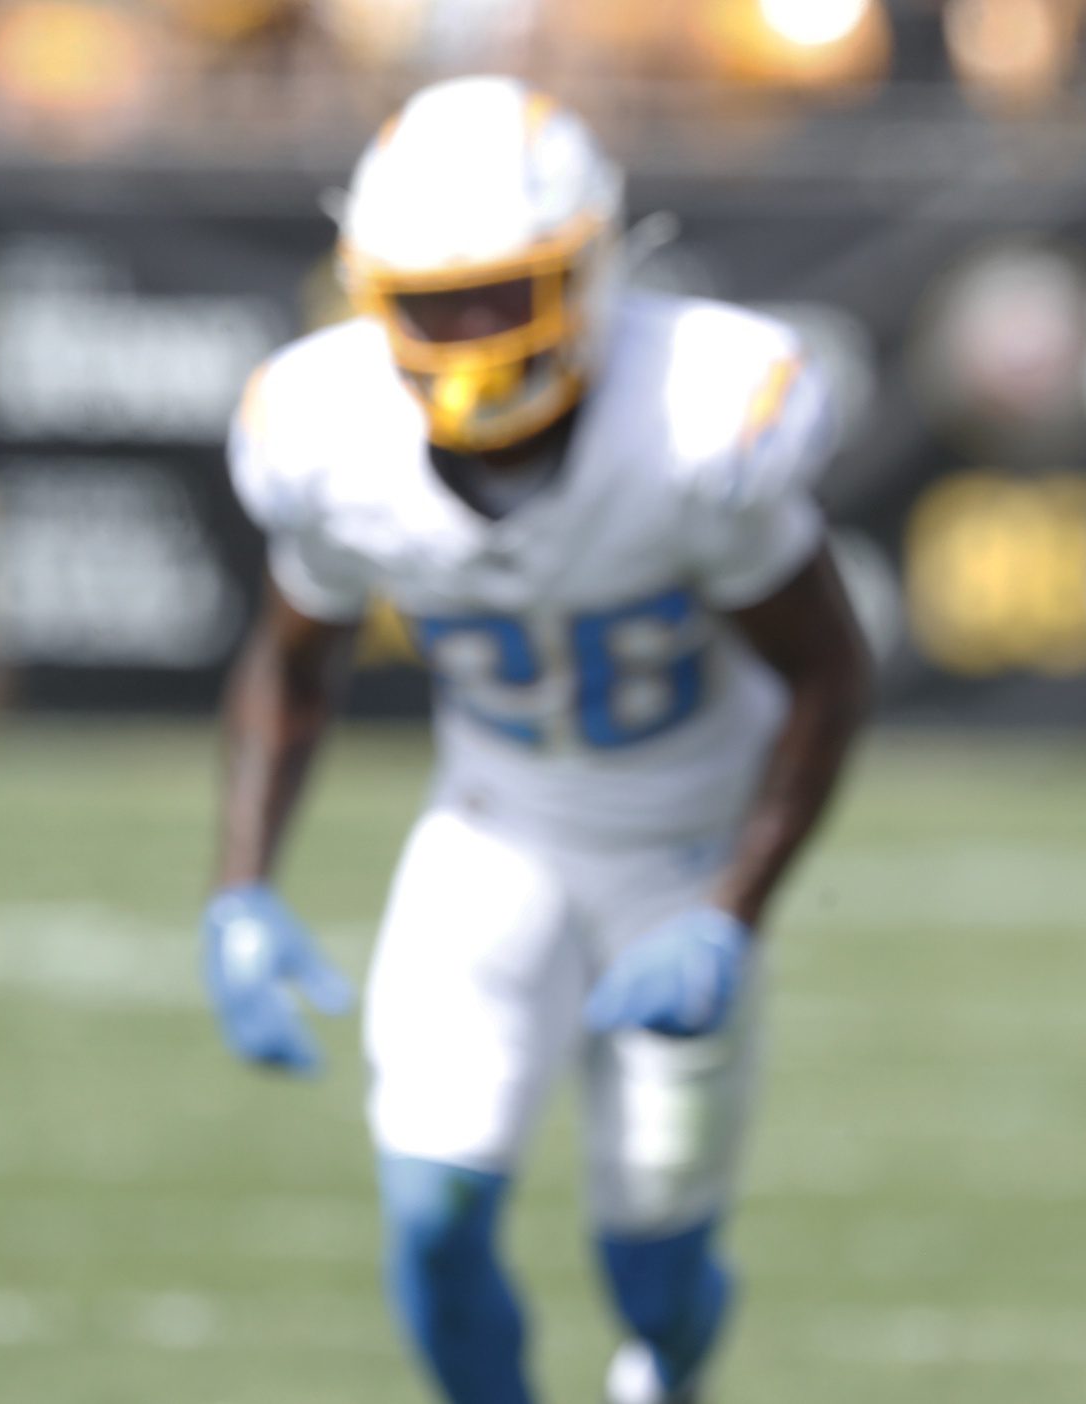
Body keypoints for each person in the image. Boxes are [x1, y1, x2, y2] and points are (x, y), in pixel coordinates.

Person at [201, 75, 871, 1404]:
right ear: (365, 294)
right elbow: (289, 665)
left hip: (682, 850)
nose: (464, 339)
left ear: (588, 269)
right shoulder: (328, 436)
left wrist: (732, 910)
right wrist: (241, 891)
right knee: (433, 1216)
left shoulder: (695, 415)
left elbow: (826, 674)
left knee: (656, 1265)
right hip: (494, 832)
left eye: (501, 294)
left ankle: (663, 1365)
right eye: (426, 303)